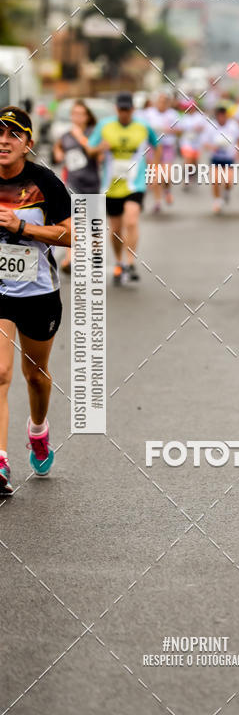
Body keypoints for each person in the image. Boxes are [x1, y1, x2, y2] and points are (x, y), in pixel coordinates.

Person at [0, 107, 72, 495]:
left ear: (28, 143)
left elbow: (75, 236)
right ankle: (0, 462)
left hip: (38, 294)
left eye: (13, 135)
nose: (4, 141)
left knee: (35, 376)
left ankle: (38, 429)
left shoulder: (45, 183)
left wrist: (23, 226)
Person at [88, 92, 161, 286]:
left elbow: (157, 144)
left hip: (135, 184)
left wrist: (155, 169)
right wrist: (99, 149)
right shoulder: (105, 126)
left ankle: (130, 263)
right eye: (121, 110)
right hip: (111, 186)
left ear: (132, 110)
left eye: (127, 110)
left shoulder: (143, 127)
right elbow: (89, 149)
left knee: (131, 219)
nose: (124, 113)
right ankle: (119, 262)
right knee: (116, 230)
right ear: (116, 109)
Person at [53, 99, 100, 272]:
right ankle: (69, 260)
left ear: (87, 117)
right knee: (75, 221)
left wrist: (80, 136)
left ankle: (96, 254)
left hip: (92, 182)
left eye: (81, 114)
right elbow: (57, 152)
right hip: (73, 183)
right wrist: (58, 153)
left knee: (94, 224)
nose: (77, 117)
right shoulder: (66, 135)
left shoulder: (93, 133)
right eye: (74, 114)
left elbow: (97, 154)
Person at [143, 92, 180, 213]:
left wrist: (169, 130)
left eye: (165, 101)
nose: (162, 104)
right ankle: (157, 201)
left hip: (167, 146)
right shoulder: (149, 113)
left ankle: (167, 190)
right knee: (155, 176)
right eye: (160, 101)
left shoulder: (173, 114)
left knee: (166, 174)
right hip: (152, 147)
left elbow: (180, 131)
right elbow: (143, 128)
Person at [202, 104, 239, 214]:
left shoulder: (233, 126)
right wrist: (212, 147)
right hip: (215, 158)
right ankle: (217, 201)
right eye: (219, 116)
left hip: (229, 158)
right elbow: (205, 143)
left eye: (223, 116)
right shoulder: (211, 127)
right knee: (215, 180)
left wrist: (238, 151)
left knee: (228, 181)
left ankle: (226, 193)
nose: (221, 118)